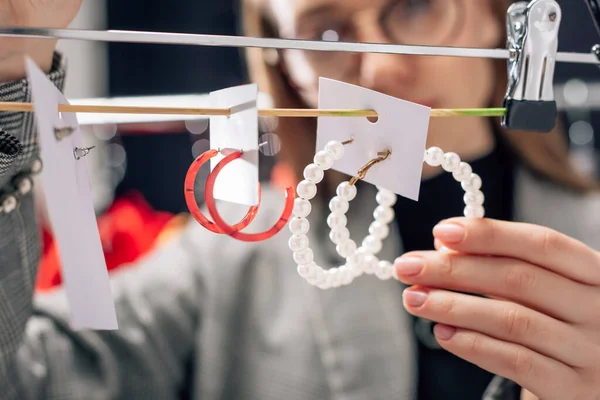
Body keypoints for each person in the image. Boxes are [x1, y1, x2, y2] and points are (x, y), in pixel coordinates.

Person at [0, 0, 598, 399]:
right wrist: (8, 64)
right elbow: (23, 379)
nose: (383, 68)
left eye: (414, 6)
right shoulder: (228, 262)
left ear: (495, 18)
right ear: (287, 68)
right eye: (326, 34)